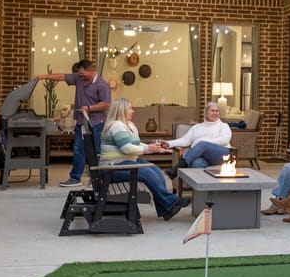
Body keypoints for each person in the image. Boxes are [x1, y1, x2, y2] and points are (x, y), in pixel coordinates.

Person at [100, 98, 187, 221]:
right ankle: (172, 201)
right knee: (145, 172)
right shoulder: (116, 126)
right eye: (130, 108)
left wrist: (153, 149)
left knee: (154, 169)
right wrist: (149, 149)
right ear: (122, 111)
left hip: (125, 163)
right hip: (111, 168)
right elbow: (126, 148)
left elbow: (137, 144)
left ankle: (166, 209)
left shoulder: (129, 125)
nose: (132, 111)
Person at [36, 59, 111, 188]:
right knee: (78, 150)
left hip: (97, 123)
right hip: (81, 122)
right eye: (79, 73)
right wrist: (42, 76)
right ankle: (75, 178)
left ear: (90, 71)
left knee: (97, 152)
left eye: (82, 73)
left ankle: (97, 179)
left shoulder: (102, 85)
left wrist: (89, 108)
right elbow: (62, 76)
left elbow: (106, 103)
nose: (80, 75)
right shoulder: (79, 78)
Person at [163, 102, 232, 176]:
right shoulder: (197, 127)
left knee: (203, 144)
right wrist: (169, 143)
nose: (215, 113)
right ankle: (200, 187)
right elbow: (185, 140)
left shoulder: (223, 126)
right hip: (202, 156)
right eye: (212, 111)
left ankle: (179, 166)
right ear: (206, 113)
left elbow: (224, 140)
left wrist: (202, 144)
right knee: (196, 163)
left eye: (217, 111)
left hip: (221, 154)